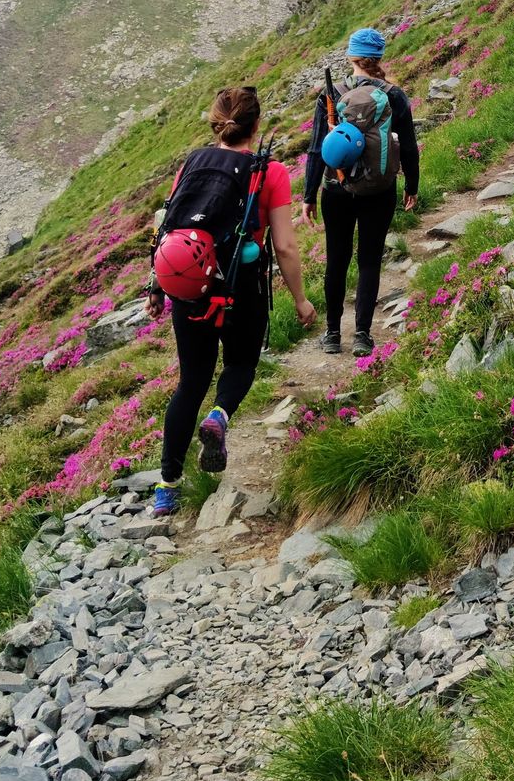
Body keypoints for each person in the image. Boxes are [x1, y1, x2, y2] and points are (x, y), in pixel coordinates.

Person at [147, 86, 312, 517]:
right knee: (239, 365)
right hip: (243, 287)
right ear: (256, 125)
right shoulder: (270, 171)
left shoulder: (192, 163)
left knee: (190, 382)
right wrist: (300, 299)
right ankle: (219, 416)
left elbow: (167, 225)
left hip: (191, 288)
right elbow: (286, 247)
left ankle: (167, 487)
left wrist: (156, 287)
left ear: (216, 124)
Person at [302, 27, 419, 356]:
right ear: (379, 57)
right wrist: (412, 184)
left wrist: (309, 195)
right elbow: (408, 146)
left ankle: (332, 334)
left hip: (335, 188)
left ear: (351, 56)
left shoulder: (331, 93)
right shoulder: (393, 95)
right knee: (369, 261)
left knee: (336, 260)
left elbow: (316, 150)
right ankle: (363, 335)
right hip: (379, 190)